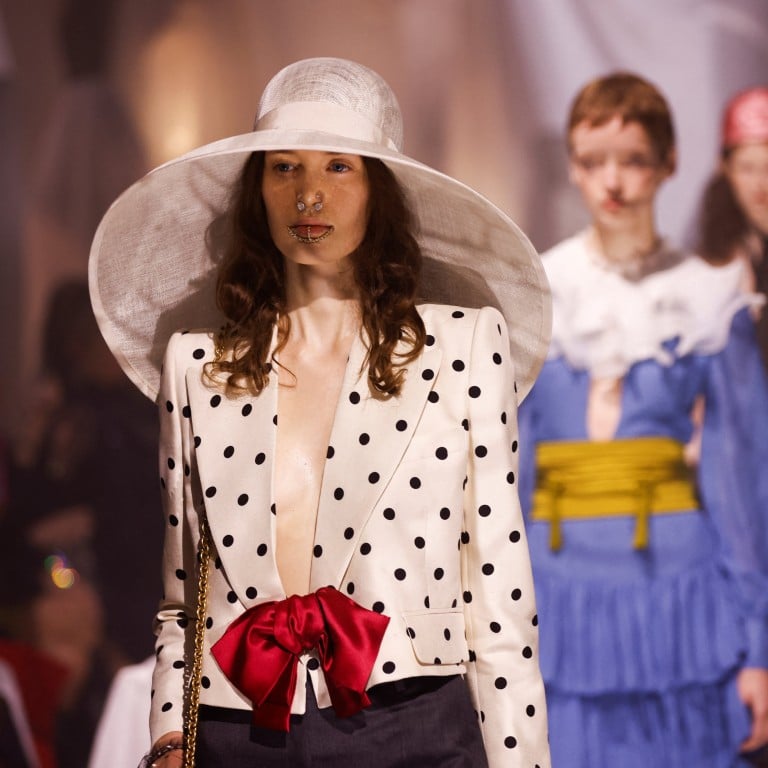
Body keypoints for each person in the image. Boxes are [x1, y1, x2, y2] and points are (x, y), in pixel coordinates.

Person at [88, 58, 552, 768]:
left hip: (411, 723)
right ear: (258, 191)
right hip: (239, 731)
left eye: (339, 167)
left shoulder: (459, 347)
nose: (309, 194)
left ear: (378, 191)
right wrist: (169, 735)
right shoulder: (198, 366)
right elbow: (183, 602)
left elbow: (500, 599)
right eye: (284, 169)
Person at [518, 72, 768, 767]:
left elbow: (741, 479)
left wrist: (760, 646)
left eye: (632, 160)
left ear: (668, 164)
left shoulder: (707, 297)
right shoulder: (540, 290)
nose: (613, 182)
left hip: (678, 594)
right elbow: (513, 467)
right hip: (559, 589)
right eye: (593, 161)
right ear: (571, 164)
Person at [697, 86, 768, 371]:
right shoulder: (719, 251)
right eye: (747, 169)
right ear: (724, 168)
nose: (760, 185)